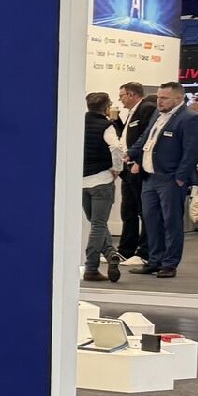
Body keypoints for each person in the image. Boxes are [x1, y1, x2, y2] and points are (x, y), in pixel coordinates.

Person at [136, 79, 198, 280]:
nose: (159, 101)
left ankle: (169, 263)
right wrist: (132, 153)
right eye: (159, 97)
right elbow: (146, 138)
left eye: (164, 98)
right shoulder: (157, 114)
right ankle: (154, 260)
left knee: (171, 222)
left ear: (179, 98)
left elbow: (192, 152)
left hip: (170, 179)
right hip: (150, 177)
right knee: (151, 221)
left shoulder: (190, 119)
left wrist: (180, 178)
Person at [81, 92, 125, 283]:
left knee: (94, 221)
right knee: (98, 224)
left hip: (82, 181)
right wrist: (117, 168)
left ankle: (110, 253)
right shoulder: (106, 126)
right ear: (107, 107)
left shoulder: (78, 123)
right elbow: (116, 147)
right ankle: (91, 267)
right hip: (102, 180)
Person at [116, 81, 156, 266]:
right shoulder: (132, 113)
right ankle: (126, 250)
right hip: (127, 167)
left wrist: (138, 161)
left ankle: (144, 251)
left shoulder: (146, 109)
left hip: (137, 167)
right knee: (128, 210)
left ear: (131, 94)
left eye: (122, 96)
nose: (120, 100)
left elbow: (147, 137)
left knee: (143, 210)